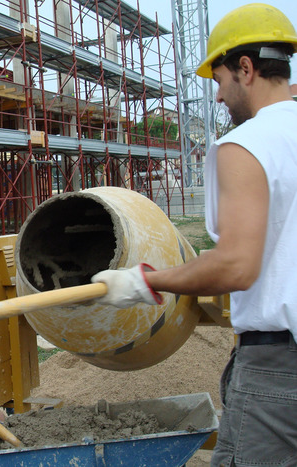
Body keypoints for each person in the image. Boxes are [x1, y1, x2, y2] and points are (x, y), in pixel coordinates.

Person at [91, 4, 297, 466]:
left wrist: (146, 281)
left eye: (219, 80)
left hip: (280, 368)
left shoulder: (247, 144)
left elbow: (236, 266)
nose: (219, 97)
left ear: (245, 68)